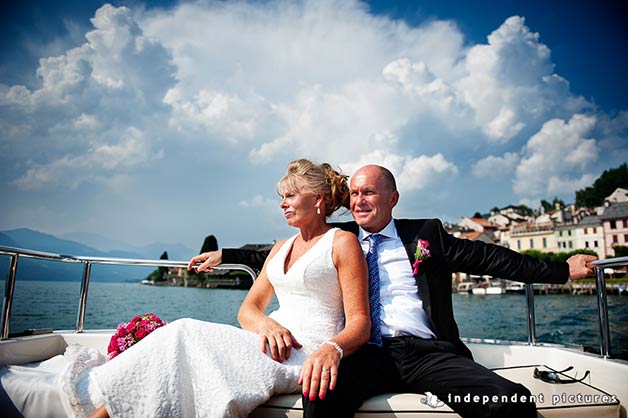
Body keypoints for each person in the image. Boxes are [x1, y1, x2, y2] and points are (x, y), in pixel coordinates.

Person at [193, 164, 597, 418]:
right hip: (365, 352)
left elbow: (491, 259)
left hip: (428, 352)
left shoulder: (426, 235)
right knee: (321, 395)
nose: (359, 200)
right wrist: (225, 253)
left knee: (509, 400)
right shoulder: (338, 237)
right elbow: (276, 250)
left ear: (392, 198)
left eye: (369, 192)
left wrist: (562, 269)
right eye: (353, 193)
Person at [61, 159, 370, 418]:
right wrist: (266, 324)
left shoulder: (342, 243)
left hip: (305, 352)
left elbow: (359, 323)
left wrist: (331, 349)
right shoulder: (280, 248)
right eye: (282, 196)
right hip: (266, 341)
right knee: (180, 340)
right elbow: (247, 310)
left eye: (290, 195)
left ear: (316, 198)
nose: (282, 203)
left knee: (184, 333)